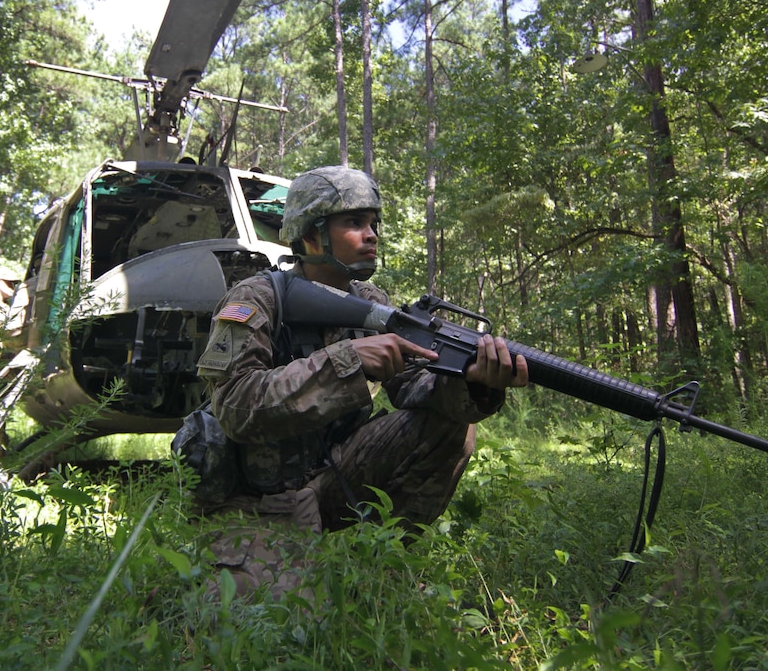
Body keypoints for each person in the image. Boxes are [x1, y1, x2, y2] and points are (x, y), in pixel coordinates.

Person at [189, 165, 528, 595]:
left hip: (334, 481)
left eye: (373, 224)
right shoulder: (257, 298)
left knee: (450, 424)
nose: (372, 235)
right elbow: (236, 406)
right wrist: (348, 360)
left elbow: (415, 386)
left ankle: (380, 559)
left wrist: (470, 381)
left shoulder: (371, 303)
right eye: (354, 222)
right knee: (272, 623)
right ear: (311, 234)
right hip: (257, 503)